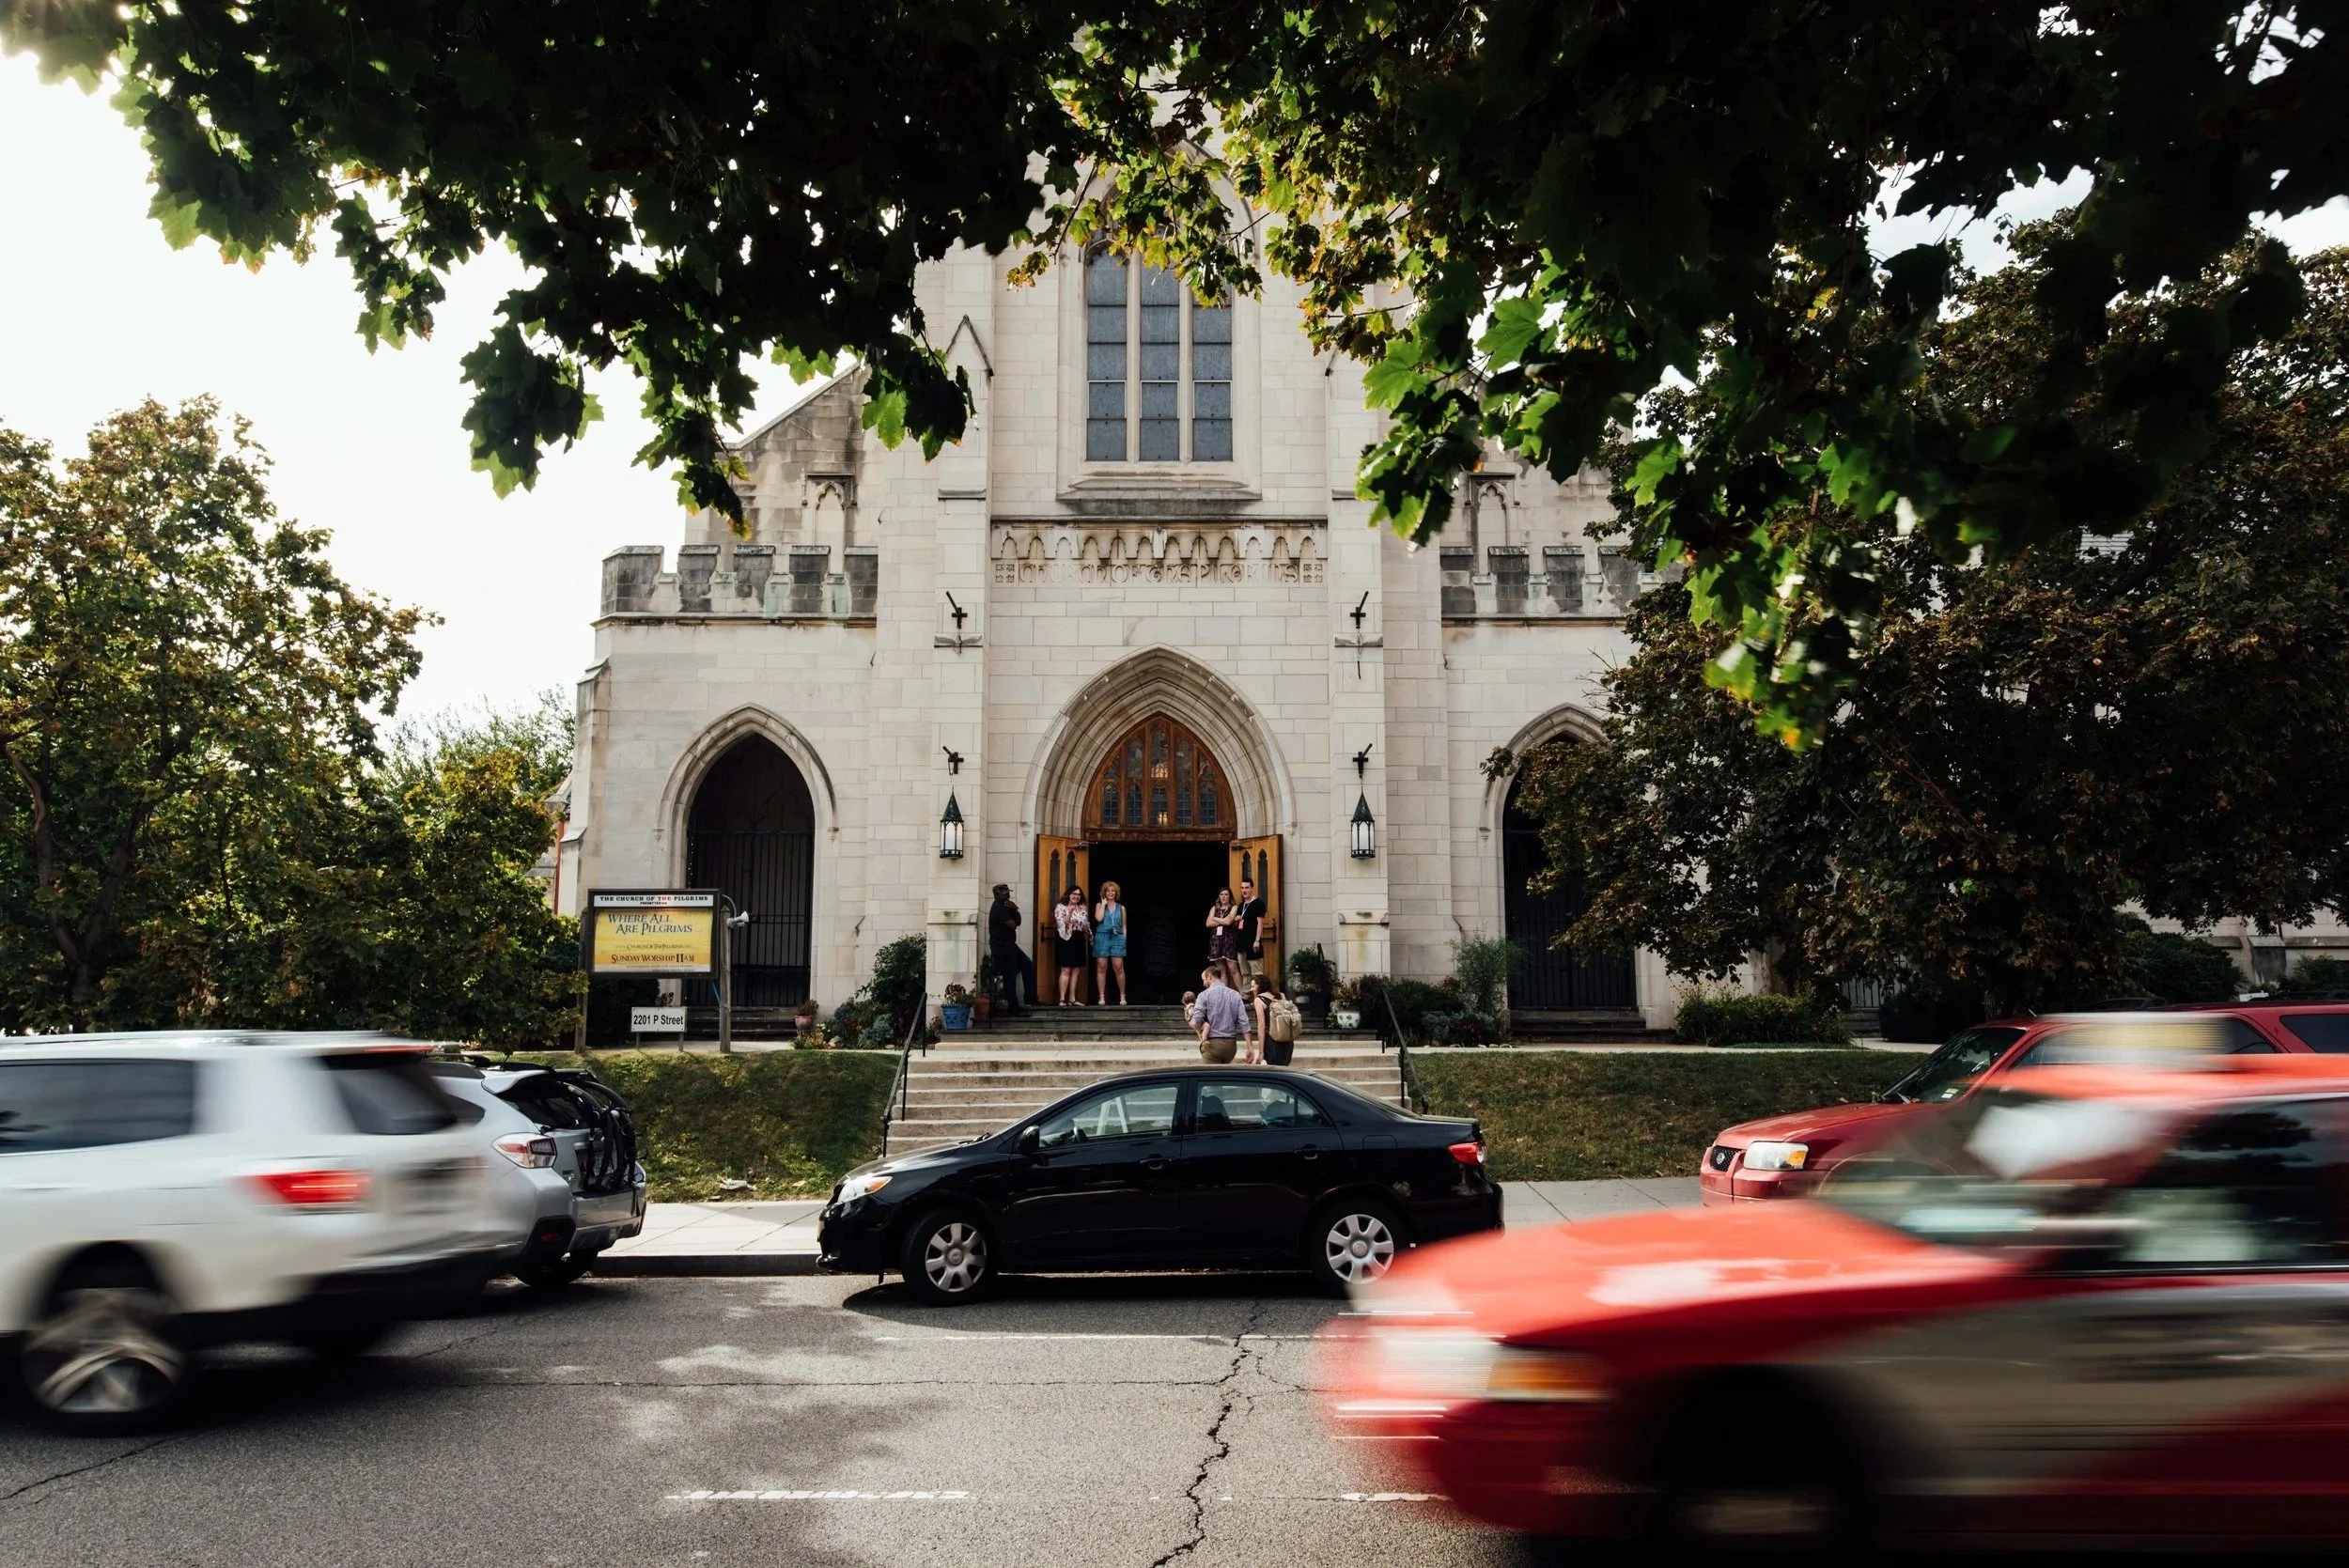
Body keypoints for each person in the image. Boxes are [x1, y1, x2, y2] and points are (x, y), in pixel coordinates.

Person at [987, 884, 1033, 1014]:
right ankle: (1013, 1007)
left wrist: (1015, 910)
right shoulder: (998, 908)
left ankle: (1030, 998)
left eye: (1008, 893)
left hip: (1010, 945)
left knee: (1028, 966)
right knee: (1009, 977)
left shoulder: (1006, 906)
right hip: (1001, 948)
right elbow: (1012, 925)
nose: (1008, 895)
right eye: (1005, 893)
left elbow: (1018, 922)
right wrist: (1012, 911)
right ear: (997, 894)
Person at [1188, 967, 1250, 1064]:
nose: (1203, 983)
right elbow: (1244, 1023)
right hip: (1231, 1047)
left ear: (1209, 977)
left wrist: (1189, 1016)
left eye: (1204, 979)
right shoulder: (1235, 995)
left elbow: (1196, 1023)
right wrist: (1249, 1048)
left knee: (1212, 1079)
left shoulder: (1203, 995)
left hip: (1212, 1045)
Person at [1052, 885, 1093, 1006]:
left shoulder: (1082, 908)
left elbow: (1085, 925)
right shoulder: (1061, 907)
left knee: (1076, 970)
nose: (1076, 896)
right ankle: (1062, 999)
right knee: (1065, 969)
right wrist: (1069, 913)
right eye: (1074, 894)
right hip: (1065, 939)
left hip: (1078, 938)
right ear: (1069, 894)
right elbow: (1062, 925)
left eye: (1079, 895)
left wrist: (1087, 928)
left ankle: (1072, 999)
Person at [1092, 881, 1130, 1005]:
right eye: (1108, 891)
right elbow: (1098, 918)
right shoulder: (1099, 905)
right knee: (1101, 966)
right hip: (1102, 936)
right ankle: (1101, 996)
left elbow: (1124, 925)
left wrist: (1123, 939)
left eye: (1113, 891)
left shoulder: (1121, 908)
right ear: (1104, 893)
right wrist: (1103, 905)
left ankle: (1122, 996)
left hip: (1117, 937)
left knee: (1119, 967)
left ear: (1116, 893)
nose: (1110, 893)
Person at [1256, 983, 1304, 1067]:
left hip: (1272, 1039)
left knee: (1273, 1069)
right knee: (1283, 1067)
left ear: (1260, 987)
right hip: (1287, 1038)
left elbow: (1261, 1026)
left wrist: (1261, 1052)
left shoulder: (1259, 999)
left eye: (1253, 986)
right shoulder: (1281, 996)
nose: (1251, 989)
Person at [1234, 877, 1268, 991]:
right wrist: (1237, 920)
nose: (1244, 890)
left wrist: (1257, 940)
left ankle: (1261, 996)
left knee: (1257, 974)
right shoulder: (1240, 906)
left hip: (1252, 943)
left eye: (1247, 888)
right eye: (1242, 888)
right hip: (1241, 944)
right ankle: (1245, 996)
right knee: (1245, 973)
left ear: (1252, 889)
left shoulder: (1258, 903)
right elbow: (1239, 926)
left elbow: (1260, 923)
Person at [1205, 887, 1240, 989]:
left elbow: (1229, 921)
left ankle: (1243, 995)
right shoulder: (1214, 908)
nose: (1223, 896)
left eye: (1226, 894)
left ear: (1230, 896)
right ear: (1219, 897)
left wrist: (1215, 918)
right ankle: (1225, 994)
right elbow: (1208, 923)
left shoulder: (1234, 908)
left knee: (1232, 968)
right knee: (1221, 970)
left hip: (1228, 939)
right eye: (1221, 894)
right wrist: (1223, 920)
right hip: (1216, 940)